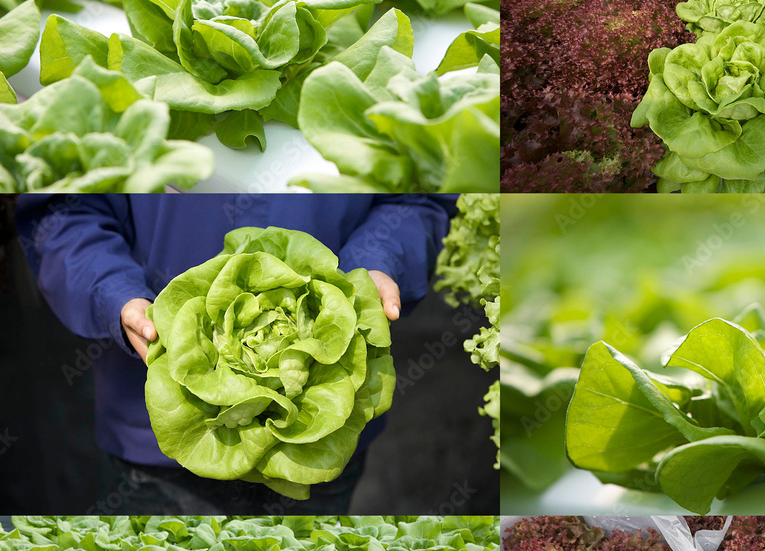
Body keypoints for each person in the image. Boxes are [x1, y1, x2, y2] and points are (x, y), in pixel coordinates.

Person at [16, 194, 457, 516]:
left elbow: (420, 196)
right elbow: (63, 210)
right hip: (152, 437)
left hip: (327, 432)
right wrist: (113, 292)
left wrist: (377, 261)